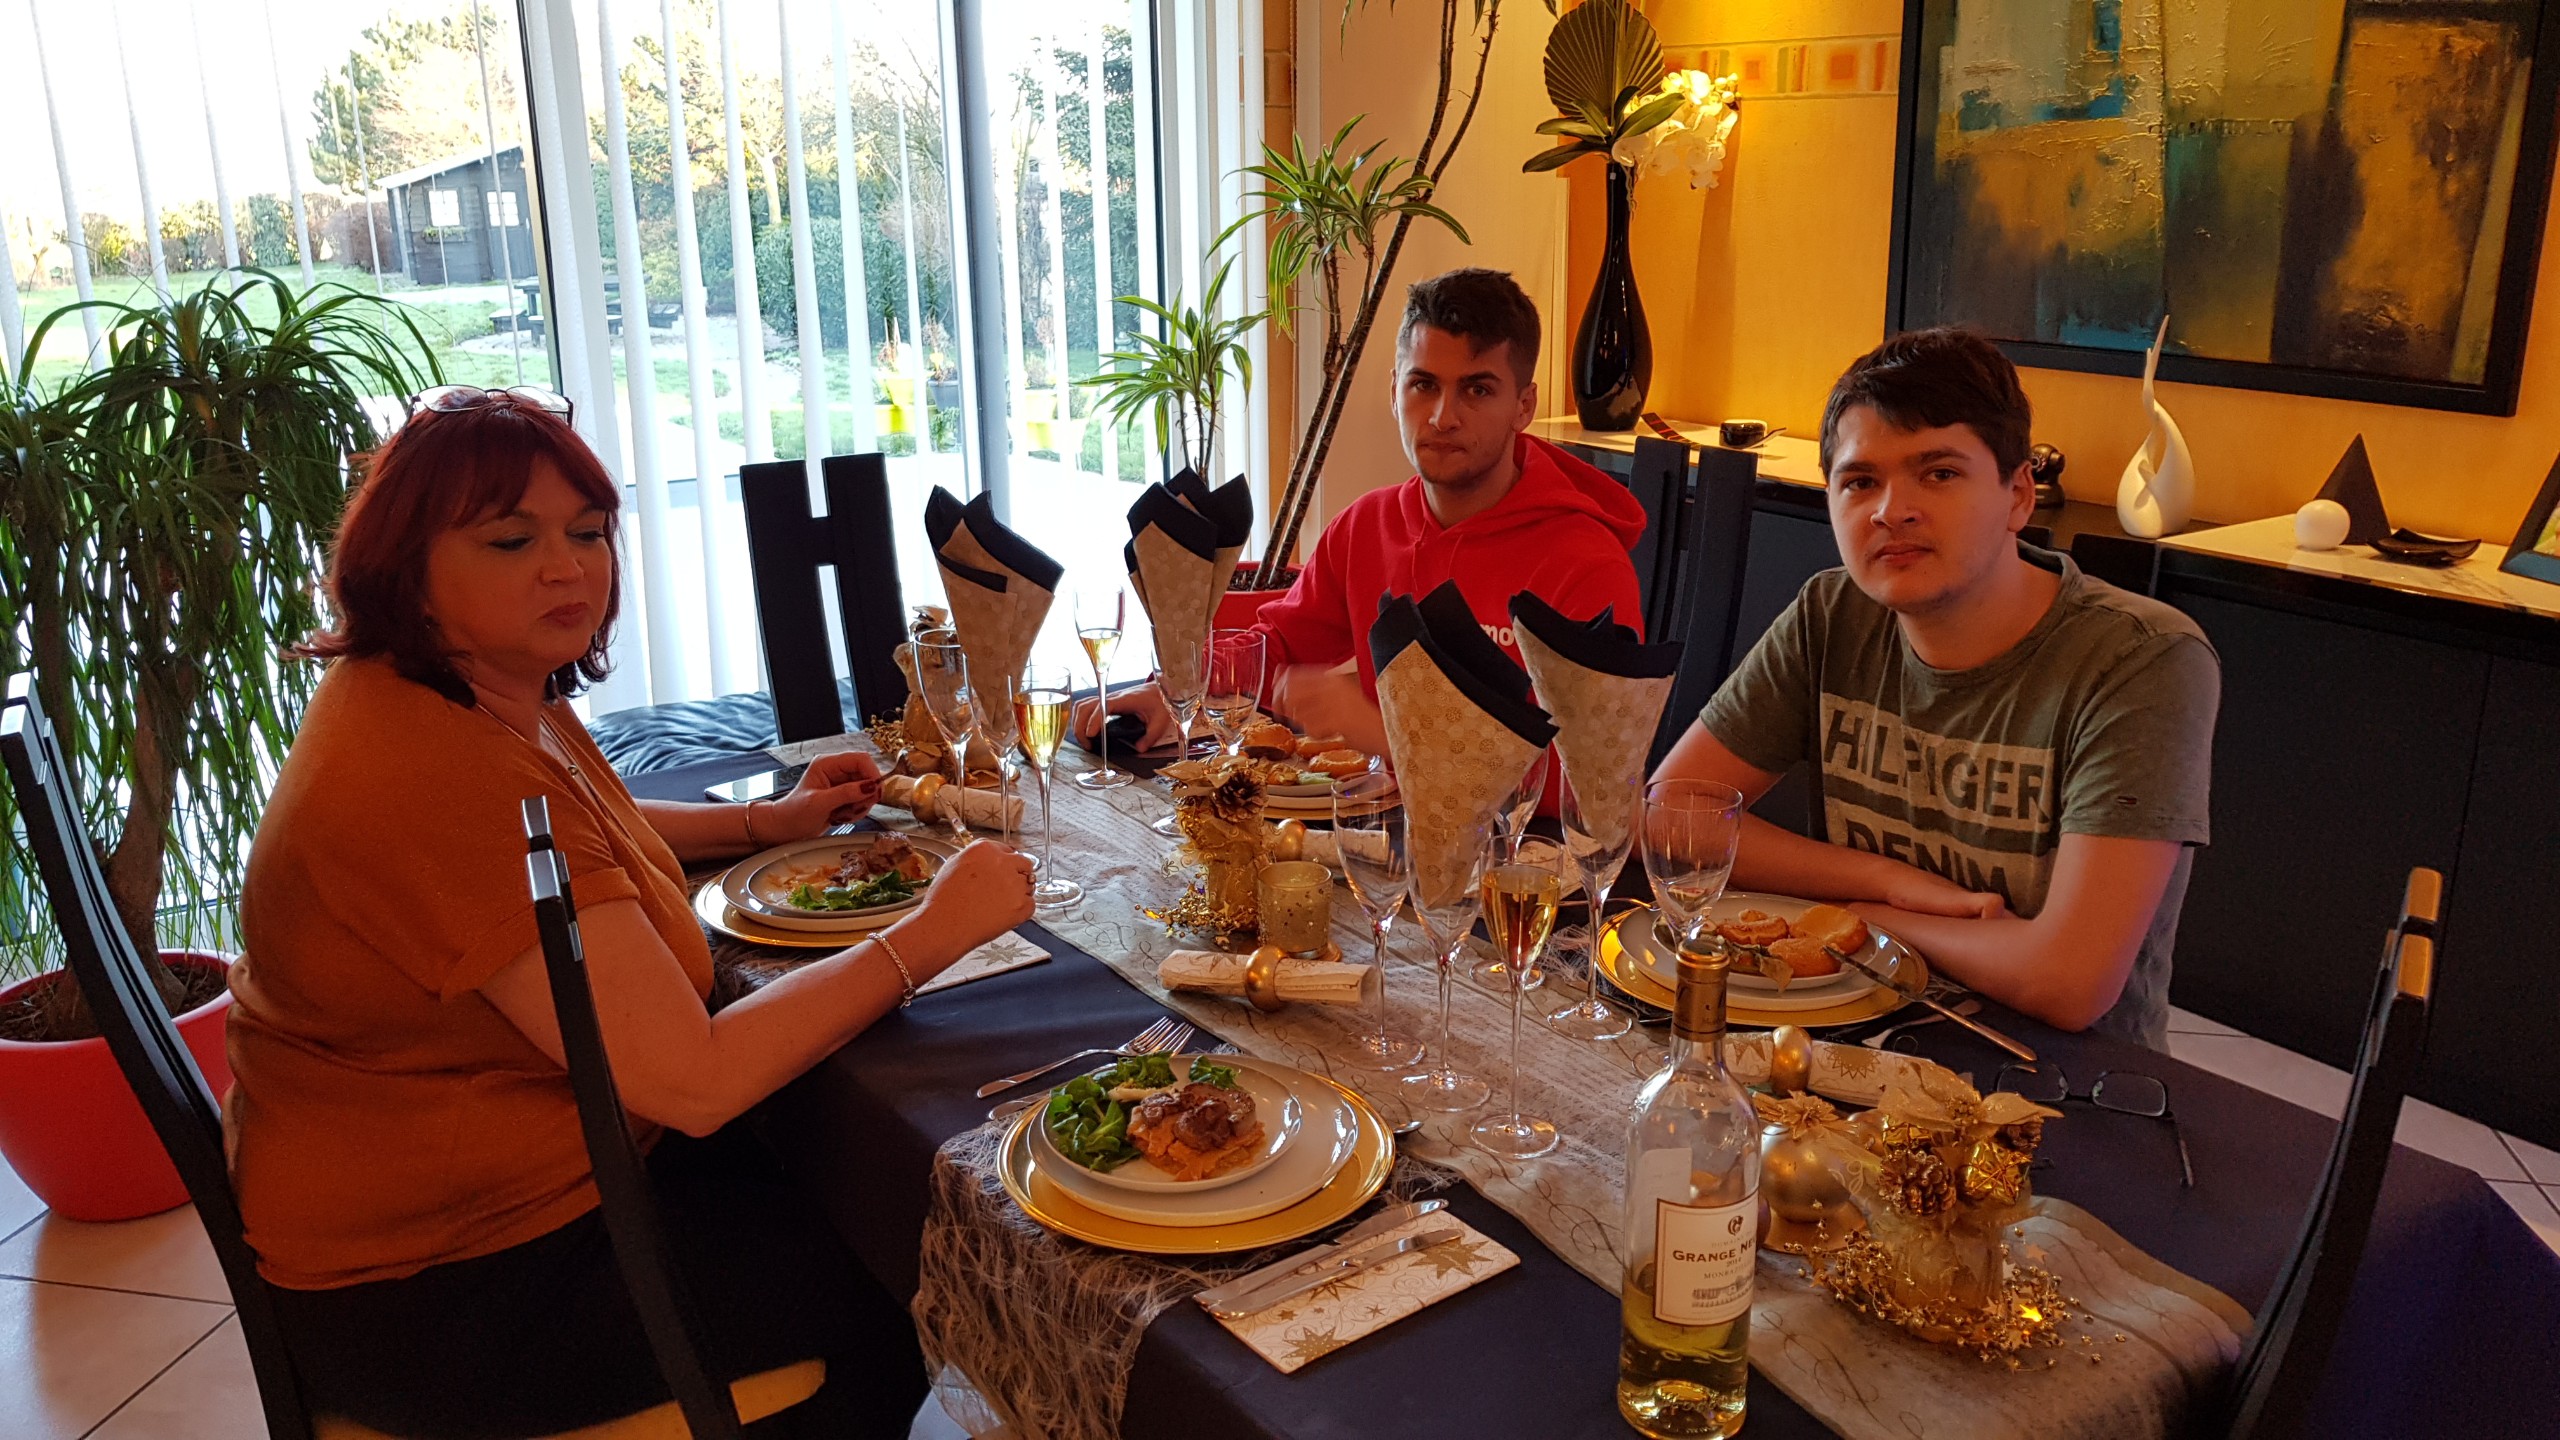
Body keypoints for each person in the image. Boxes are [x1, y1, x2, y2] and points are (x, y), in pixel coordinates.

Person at [224, 388, 1035, 1439]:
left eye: (589, 531)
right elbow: (692, 1082)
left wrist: (761, 824)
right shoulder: (430, 773)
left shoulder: (463, 689)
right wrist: (931, 933)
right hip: (445, 1290)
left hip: (526, 1182)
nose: (569, 568)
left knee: (847, 1158)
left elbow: (575, 830)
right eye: (511, 540)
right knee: (906, 1262)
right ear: (405, 567)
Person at [1650, 328, 2220, 1047]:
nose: (1892, 510)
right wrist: (1886, 881)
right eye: (1860, 482)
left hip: (2059, 1073)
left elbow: (2069, 983)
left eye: (1939, 473)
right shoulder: (1833, 612)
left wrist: (1865, 920)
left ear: (2018, 495)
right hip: (1848, 1028)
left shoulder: (2141, 658)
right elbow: (1673, 821)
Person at [1077, 266, 1646, 757]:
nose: (1443, 416)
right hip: (1373, 834)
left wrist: (1386, 735)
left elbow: (1593, 779)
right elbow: (1275, 643)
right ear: (1394, 390)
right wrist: (1182, 691)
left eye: (1477, 390)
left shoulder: (1585, 565)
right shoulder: (1364, 528)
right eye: (1424, 385)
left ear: (1524, 405)